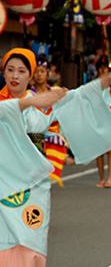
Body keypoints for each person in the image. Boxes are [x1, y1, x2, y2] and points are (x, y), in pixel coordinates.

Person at [0, 48, 111, 267]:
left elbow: (77, 98)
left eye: (22, 71)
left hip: (32, 190)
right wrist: (33, 103)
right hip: (2, 186)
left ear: (31, 76)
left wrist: (106, 80)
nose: (15, 76)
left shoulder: (41, 102)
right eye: (10, 69)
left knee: (28, 249)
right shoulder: (25, 102)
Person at [30, 56, 70, 186]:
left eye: (42, 71)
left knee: (48, 179)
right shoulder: (28, 95)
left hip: (53, 139)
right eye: (36, 71)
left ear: (47, 73)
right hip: (34, 139)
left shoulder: (56, 92)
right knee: (36, 180)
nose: (39, 75)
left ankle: (46, 204)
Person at [95, 58, 111, 188]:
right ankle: (102, 178)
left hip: (110, 118)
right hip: (97, 118)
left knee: (110, 150)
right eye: (102, 68)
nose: (103, 71)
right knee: (99, 151)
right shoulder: (94, 84)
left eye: (106, 68)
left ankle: (110, 178)